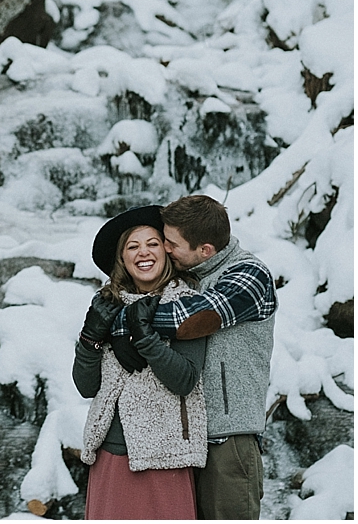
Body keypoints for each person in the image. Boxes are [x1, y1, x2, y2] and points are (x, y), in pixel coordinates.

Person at [111, 195, 277, 520]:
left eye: (171, 243)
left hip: (227, 438)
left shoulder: (249, 274)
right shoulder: (192, 275)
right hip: (185, 441)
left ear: (205, 250)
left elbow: (192, 317)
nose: (165, 249)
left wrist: (121, 321)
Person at [73, 205, 209, 519]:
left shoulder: (188, 304)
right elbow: (85, 386)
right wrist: (90, 337)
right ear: (122, 258)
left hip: (165, 456)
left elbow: (185, 379)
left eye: (152, 243)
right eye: (132, 246)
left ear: (167, 250)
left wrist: (145, 338)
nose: (143, 252)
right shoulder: (106, 306)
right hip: (111, 453)